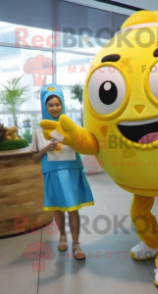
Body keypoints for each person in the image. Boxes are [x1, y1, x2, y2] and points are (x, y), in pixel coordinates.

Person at [31, 84, 94, 259]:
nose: (54, 108)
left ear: (63, 104)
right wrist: (47, 148)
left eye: (57, 104)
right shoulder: (38, 131)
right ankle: (62, 237)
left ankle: (76, 245)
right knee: (58, 210)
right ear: (44, 107)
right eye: (50, 105)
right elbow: (35, 158)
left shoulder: (72, 127)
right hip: (52, 173)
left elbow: (83, 145)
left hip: (72, 171)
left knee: (73, 209)